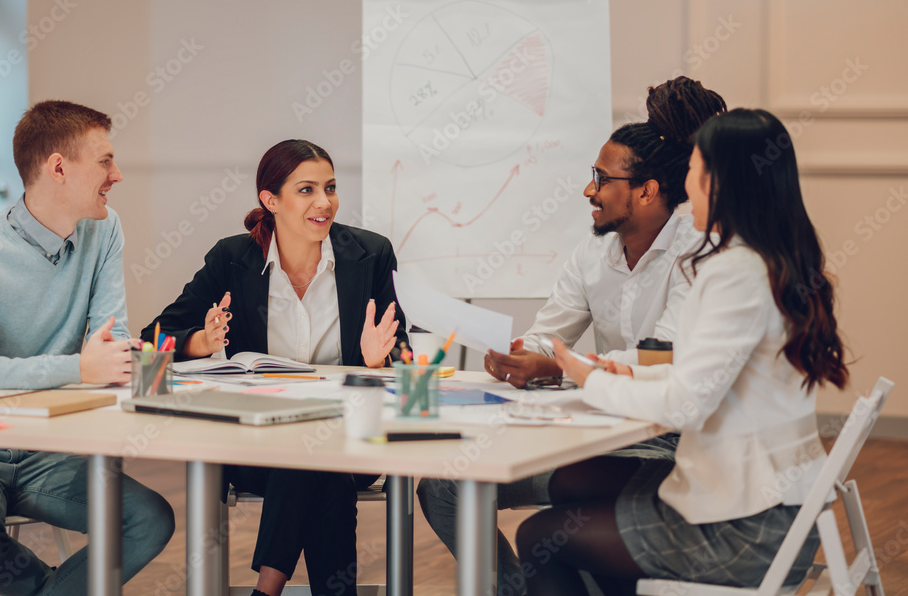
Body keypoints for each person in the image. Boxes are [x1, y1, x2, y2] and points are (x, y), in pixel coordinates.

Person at [416, 76, 727, 596]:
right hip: (598, 431)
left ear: (648, 191)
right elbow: (549, 334)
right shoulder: (593, 252)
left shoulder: (697, 252)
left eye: (601, 179)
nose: (589, 191)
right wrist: (522, 356)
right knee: (444, 487)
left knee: (554, 524)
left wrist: (561, 367)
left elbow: (664, 359)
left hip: (668, 447)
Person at [517, 108, 846, 595]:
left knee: (541, 534)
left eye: (693, 170)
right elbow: (704, 372)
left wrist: (592, 378)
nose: (684, 185)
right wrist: (618, 371)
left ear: (721, 181)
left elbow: (687, 402)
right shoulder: (774, 263)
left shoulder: (735, 272)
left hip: (745, 531)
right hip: (776, 512)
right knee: (574, 495)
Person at [0, 101, 175, 595]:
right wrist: (77, 366)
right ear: (58, 167)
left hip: (45, 450)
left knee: (150, 519)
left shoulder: (104, 230)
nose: (116, 175)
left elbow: (110, 344)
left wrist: (107, 362)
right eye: (104, 161)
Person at [144, 139, 408, 596]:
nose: (324, 202)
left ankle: (266, 588)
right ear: (271, 200)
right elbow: (153, 337)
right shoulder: (232, 258)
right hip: (258, 447)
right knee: (312, 457)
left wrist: (376, 360)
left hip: (350, 441)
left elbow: (400, 348)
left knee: (315, 451)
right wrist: (199, 342)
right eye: (306, 190)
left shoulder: (369, 254)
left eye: (330, 188)